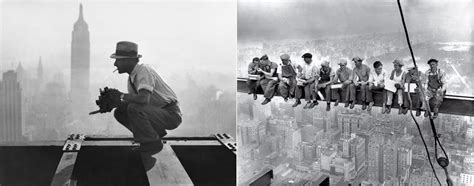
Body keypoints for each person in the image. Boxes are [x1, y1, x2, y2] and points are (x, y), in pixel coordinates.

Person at [108, 41, 182, 153]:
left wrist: (121, 95)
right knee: (120, 111)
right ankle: (153, 135)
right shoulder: (133, 78)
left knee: (133, 108)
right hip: (158, 112)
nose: (115, 64)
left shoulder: (143, 71)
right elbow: (136, 102)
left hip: (170, 115)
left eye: (118, 60)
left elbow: (143, 99)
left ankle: (152, 143)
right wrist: (115, 102)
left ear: (128, 61)